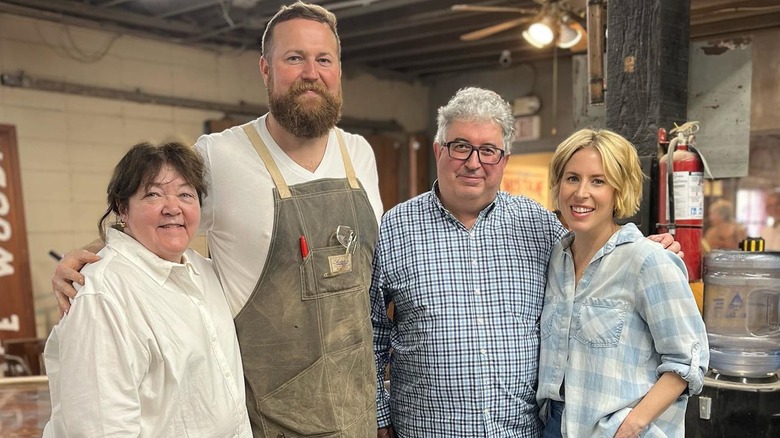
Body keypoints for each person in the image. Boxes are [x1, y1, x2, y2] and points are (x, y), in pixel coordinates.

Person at [50, 2, 383, 437]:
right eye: (294, 58)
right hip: (270, 422)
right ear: (266, 69)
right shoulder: (220, 156)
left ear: (339, 69)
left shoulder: (359, 154)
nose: (310, 72)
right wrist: (89, 257)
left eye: (324, 59)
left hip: (356, 415)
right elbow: (165, 218)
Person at [370, 87, 681, 438]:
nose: (474, 162)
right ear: (438, 150)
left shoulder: (539, 226)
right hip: (426, 430)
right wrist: (381, 418)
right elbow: (370, 336)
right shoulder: (395, 228)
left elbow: (596, 245)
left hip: (521, 431)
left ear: (504, 159)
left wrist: (648, 248)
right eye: (461, 147)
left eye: (488, 150)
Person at [42, 142, 251, 437]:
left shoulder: (203, 272)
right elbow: (102, 428)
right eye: (153, 194)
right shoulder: (102, 294)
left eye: (185, 194)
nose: (173, 208)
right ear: (122, 208)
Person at [537, 129, 708, 438]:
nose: (581, 193)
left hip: (616, 431)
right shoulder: (555, 259)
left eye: (598, 181)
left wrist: (631, 426)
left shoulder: (647, 260)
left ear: (620, 189)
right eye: (572, 178)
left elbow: (688, 361)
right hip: (554, 425)